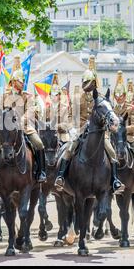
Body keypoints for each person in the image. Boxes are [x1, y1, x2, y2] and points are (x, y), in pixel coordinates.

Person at [54, 55, 125, 194]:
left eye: (90, 82)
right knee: (69, 150)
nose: (87, 85)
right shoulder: (76, 98)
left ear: (94, 83)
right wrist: (71, 129)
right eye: (85, 82)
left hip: (99, 132)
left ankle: (115, 180)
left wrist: (108, 127)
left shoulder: (101, 99)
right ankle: (61, 177)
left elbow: (107, 115)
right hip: (80, 131)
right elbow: (69, 116)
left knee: (111, 153)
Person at [0, 55, 47, 186]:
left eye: (23, 80)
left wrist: (19, 121)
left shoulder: (27, 96)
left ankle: (41, 172)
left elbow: (29, 111)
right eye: (20, 80)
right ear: (13, 81)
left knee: (39, 144)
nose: (23, 82)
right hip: (7, 130)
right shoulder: (5, 96)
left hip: (24, 127)